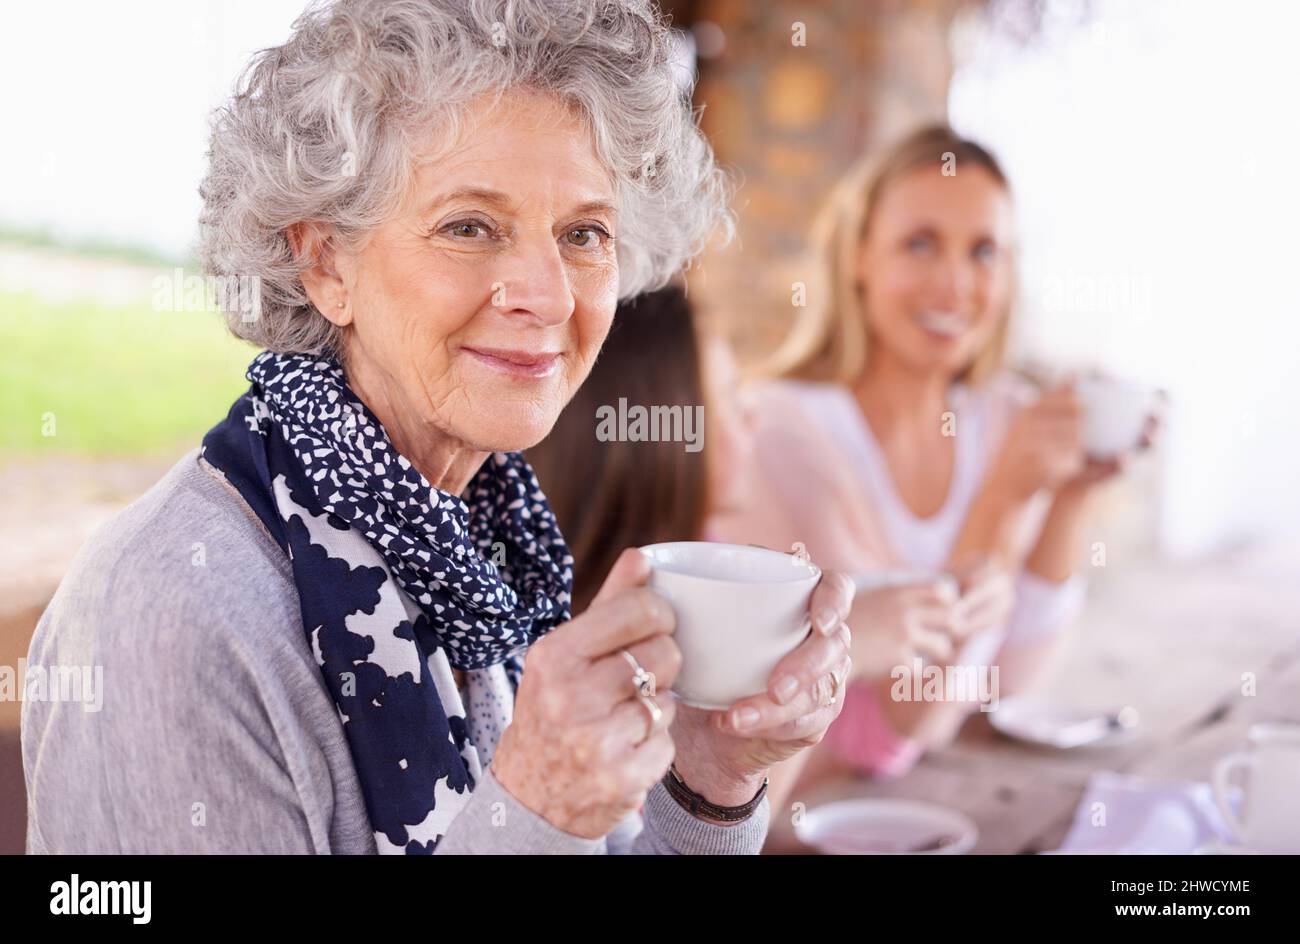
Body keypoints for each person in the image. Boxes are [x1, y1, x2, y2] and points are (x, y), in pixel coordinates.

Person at [21, 0, 853, 855]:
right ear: (323, 263)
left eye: (583, 234)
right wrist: (538, 815)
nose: (549, 295)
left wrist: (713, 777)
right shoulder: (173, 611)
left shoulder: (493, 546)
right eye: (469, 227)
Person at [709, 125, 1157, 794]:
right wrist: (1004, 500)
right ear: (857, 257)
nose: (954, 285)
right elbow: (896, 723)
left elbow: (1006, 685)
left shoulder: (1002, 412)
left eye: (984, 252)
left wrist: (1067, 497)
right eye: (920, 244)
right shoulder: (780, 429)